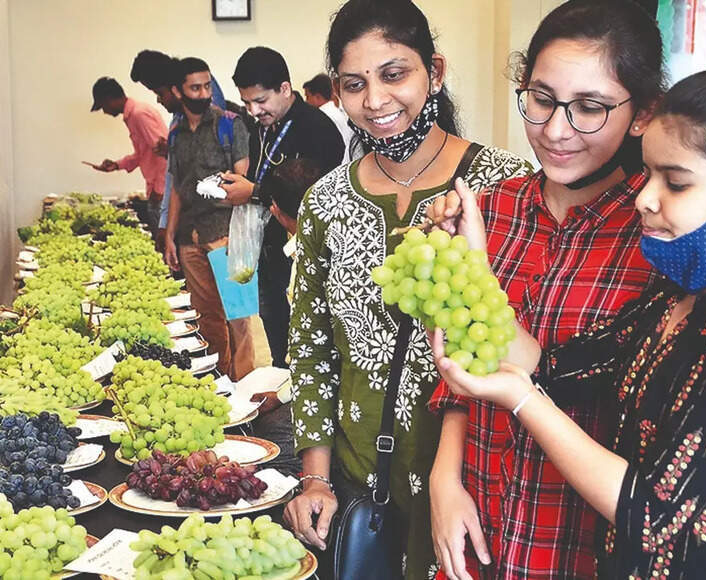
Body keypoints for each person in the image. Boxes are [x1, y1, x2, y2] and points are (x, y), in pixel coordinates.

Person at [425, 2, 706, 579]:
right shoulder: (673, 300)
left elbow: (655, 515)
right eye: (543, 99)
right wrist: (476, 269)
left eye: (673, 182)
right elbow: (549, 363)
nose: (646, 199)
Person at [281, 1, 532, 578]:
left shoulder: (505, 187)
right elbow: (313, 345)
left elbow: (517, 338)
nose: (374, 101)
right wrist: (315, 476)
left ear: (434, 73)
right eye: (354, 84)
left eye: (394, 74)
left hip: (473, 483)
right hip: (354, 478)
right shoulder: (325, 201)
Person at [222, 46, 346, 373]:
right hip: (267, 248)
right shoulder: (261, 128)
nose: (253, 110)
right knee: (275, 330)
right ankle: (281, 381)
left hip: (304, 254)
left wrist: (254, 191)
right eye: (247, 102)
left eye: (260, 101)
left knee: (308, 339)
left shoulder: (316, 129)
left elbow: (315, 198)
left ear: (285, 89)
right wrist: (240, 187)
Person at [164, 57, 256, 381]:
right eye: (194, 87)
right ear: (179, 91)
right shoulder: (176, 134)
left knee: (239, 317)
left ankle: (246, 387)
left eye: (206, 85)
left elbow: (241, 180)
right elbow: (176, 187)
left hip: (227, 233)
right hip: (190, 237)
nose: (203, 93)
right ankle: (220, 382)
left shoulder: (231, 124)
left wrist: (218, 186)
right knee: (206, 319)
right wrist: (169, 236)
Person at [129, 50, 254, 248]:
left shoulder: (224, 122)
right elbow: (177, 181)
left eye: (159, 93)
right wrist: (168, 229)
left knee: (225, 279)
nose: (159, 100)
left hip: (223, 235)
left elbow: (239, 184)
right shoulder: (178, 130)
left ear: (174, 90)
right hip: (190, 233)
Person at [86, 76, 168, 222]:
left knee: (165, 240)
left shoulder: (139, 114)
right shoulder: (133, 115)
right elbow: (142, 154)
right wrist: (117, 165)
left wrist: (160, 189)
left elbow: (165, 153)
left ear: (110, 98)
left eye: (103, 106)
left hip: (162, 191)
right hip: (156, 188)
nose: (105, 112)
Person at [304, 73, 356, 163]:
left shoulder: (322, 117)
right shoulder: (337, 112)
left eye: (308, 97)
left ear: (318, 97)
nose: (306, 101)